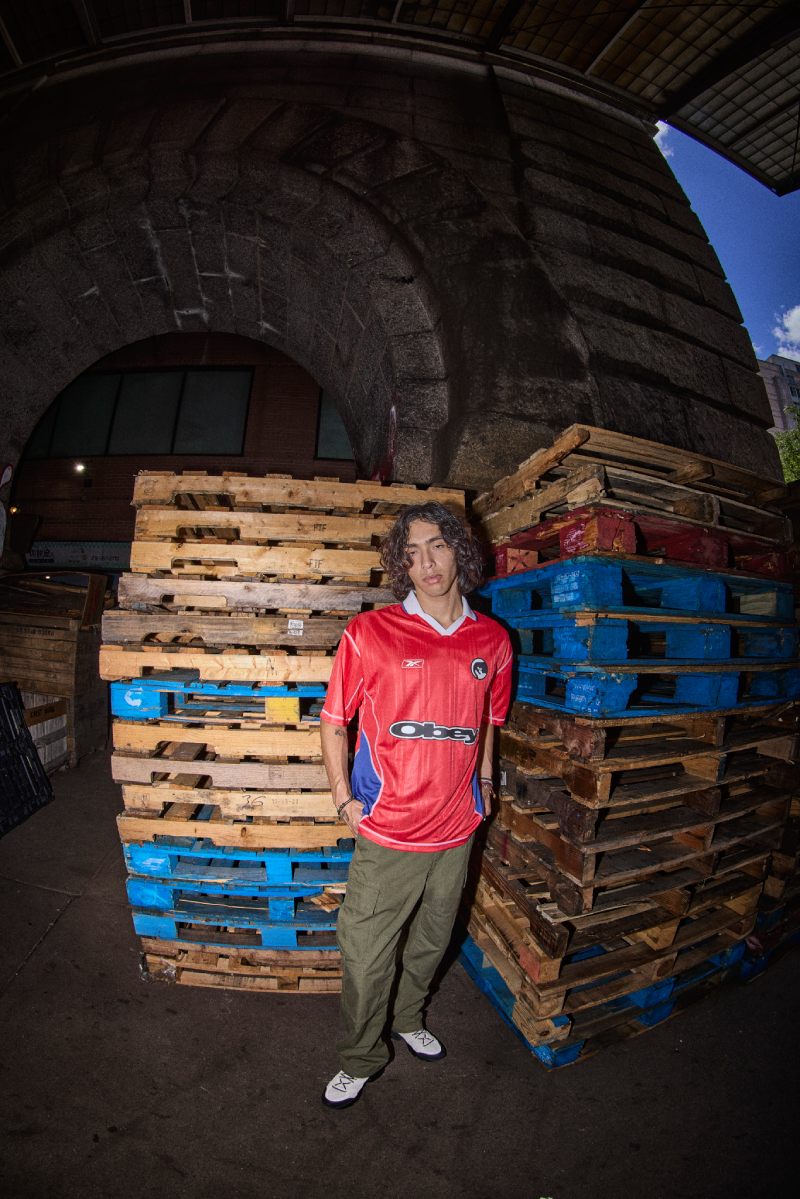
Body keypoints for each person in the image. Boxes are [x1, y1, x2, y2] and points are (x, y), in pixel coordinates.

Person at [319, 500, 513, 1109]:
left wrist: (485, 784)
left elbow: (488, 722)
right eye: (411, 553)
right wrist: (344, 800)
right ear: (400, 565)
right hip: (390, 832)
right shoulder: (370, 632)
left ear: (460, 550)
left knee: (432, 939)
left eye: (437, 546)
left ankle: (408, 1018)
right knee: (366, 954)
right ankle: (361, 1056)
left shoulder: (493, 640)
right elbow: (333, 721)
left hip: (456, 830)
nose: (425, 563)